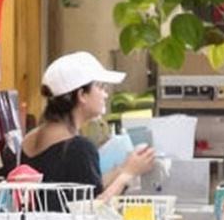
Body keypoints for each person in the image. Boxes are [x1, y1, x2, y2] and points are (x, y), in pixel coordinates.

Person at [15, 52, 158, 196]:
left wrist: (123, 168)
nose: (105, 94)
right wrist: (127, 174)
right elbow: (92, 208)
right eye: (101, 87)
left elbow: (81, 188)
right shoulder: (78, 148)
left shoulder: (29, 139)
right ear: (82, 94)